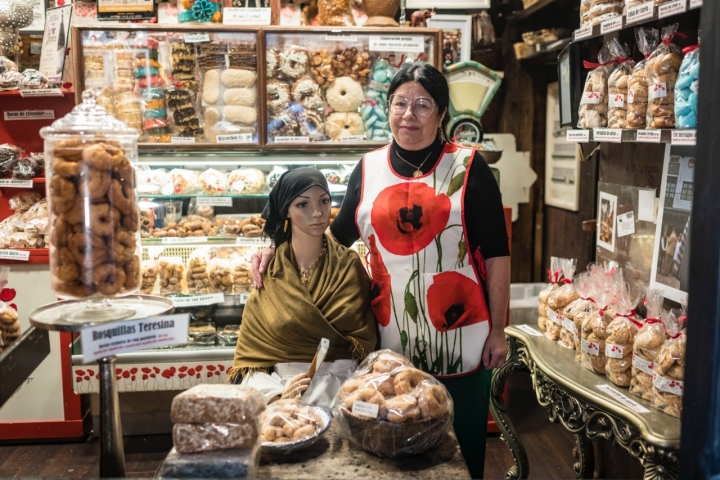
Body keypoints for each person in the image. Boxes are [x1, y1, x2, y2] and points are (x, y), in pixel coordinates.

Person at [253, 62, 510, 478]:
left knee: (458, 447)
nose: (409, 114)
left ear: (442, 113)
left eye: (423, 104)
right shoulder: (368, 168)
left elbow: (497, 253)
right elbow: (330, 236)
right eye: (400, 103)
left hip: (462, 332)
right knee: (390, 436)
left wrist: (498, 329)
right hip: (388, 335)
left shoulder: (469, 167)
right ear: (388, 107)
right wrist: (274, 247)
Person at [228, 167, 378, 408]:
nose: (318, 212)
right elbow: (251, 355)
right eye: (302, 205)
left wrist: (354, 393)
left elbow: (367, 347)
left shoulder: (349, 265)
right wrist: (275, 396)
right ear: (285, 210)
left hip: (342, 393)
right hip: (283, 391)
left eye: (324, 201)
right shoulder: (270, 271)